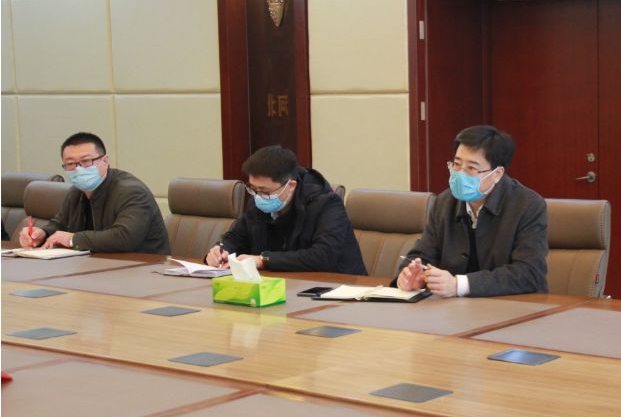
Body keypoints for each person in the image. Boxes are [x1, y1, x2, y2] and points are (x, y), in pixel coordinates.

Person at [396, 125, 548, 298]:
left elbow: (529, 273)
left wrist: (459, 285)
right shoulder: (444, 202)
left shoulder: (527, 205)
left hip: (515, 306)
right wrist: (413, 277)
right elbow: (422, 255)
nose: (460, 174)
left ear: (497, 174)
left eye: (471, 168)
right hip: (453, 309)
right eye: (457, 164)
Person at [205, 145, 365, 274]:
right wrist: (221, 250)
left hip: (336, 289)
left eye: (265, 191)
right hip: (283, 286)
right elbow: (235, 238)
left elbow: (323, 256)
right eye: (253, 189)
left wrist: (263, 260)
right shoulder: (257, 204)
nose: (258, 196)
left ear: (291, 185)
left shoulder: (327, 204)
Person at [19, 132, 170, 254]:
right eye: (70, 164)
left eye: (86, 161)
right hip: (96, 267)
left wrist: (73, 239)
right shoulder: (76, 191)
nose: (78, 169)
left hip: (143, 269)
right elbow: (60, 224)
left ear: (105, 161)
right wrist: (42, 233)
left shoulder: (132, 191)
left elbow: (125, 237)